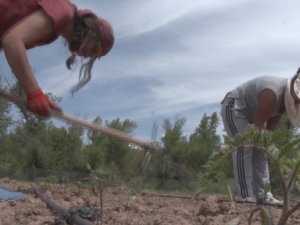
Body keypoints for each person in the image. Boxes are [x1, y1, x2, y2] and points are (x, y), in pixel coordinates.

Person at [0, 0, 114, 117]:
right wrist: (34, 93)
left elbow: (8, 41)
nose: (86, 55)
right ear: (90, 32)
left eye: (92, 56)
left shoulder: (50, 35)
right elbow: (12, 42)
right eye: (94, 50)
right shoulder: (63, 10)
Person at [220, 69, 300, 205]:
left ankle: (264, 195)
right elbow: (258, 126)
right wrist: (276, 152)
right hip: (235, 107)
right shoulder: (272, 92)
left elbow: (268, 132)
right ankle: (245, 195)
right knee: (243, 145)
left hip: (253, 113)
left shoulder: (284, 103)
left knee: (261, 149)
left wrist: (270, 147)